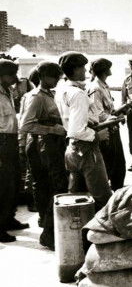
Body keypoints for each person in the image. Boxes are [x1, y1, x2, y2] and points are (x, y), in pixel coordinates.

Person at [19, 61, 68, 250]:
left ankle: (45, 223)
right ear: (43, 77)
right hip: (42, 144)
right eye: (54, 77)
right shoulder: (36, 97)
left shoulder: (48, 95)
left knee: (44, 185)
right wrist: (52, 130)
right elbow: (25, 125)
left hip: (45, 144)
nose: (57, 80)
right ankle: (48, 231)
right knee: (54, 184)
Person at [55, 52, 112, 211]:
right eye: (82, 68)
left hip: (72, 149)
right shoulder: (78, 94)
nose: (86, 72)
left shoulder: (63, 89)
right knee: (102, 196)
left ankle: (75, 232)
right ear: (74, 70)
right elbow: (77, 130)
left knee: (75, 196)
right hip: (86, 148)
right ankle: (101, 233)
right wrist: (97, 136)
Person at [0, 60, 29, 243]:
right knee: (2, 186)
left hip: (10, 140)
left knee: (13, 183)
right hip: (1, 141)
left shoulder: (7, 91)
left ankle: (8, 218)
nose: (15, 79)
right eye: (11, 75)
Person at [87, 58, 126, 191]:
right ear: (104, 70)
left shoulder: (103, 86)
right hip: (106, 133)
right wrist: (115, 117)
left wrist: (119, 112)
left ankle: (117, 193)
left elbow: (108, 110)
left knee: (119, 167)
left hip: (113, 129)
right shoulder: (96, 88)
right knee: (111, 167)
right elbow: (98, 115)